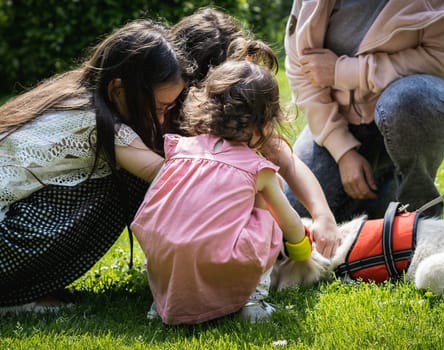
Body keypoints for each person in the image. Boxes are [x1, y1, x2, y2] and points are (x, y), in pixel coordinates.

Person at [0, 19, 189, 315]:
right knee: (128, 180)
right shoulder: (104, 127)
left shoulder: (70, 96)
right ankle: (4, 297)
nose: (161, 120)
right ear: (119, 88)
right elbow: (167, 174)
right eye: (159, 108)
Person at [131, 60, 313, 325]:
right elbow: (291, 225)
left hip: (160, 249)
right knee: (268, 213)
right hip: (215, 257)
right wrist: (302, 250)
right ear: (265, 122)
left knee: (174, 221)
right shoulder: (257, 169)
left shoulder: (181, 148)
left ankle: (160, 304)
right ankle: (252, 301)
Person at [167, 6, 340, 258]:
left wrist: (322, 214)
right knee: (268, 182)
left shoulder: (242, 121)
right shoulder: (177, 133)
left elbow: (288, 162)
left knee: (271, 180)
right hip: (199, 232)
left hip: (202, 244)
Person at [283, 0, 444, 222]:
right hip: (347, 123)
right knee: (295, 216)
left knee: (410, 99)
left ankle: (421, 214)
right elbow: (303, 70)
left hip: (422, 107)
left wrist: (343, 71)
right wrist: (343, 152)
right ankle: (387, 187)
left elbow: (440, 61)